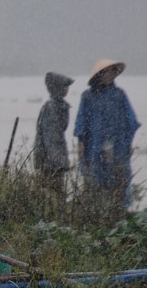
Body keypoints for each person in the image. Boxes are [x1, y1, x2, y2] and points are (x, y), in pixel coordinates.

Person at [73, 58, 140, 210]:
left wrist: (127, 143)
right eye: (108, 71)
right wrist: (81, 144)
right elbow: (81, 122)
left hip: (119, 148)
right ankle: (96, 213)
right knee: (95, 183)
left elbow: (130, 122)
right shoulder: (88, 97)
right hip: (93, 149)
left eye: (113, 72)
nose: (111, 75)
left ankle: (118, 214)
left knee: (119, 183)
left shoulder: (119, 95)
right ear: (100, 74)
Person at [33, 72, 74, 190]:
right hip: (50, 165)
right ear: (58, 88)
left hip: (52, 163)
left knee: (55, 194)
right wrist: (59, 162)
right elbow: (52, 139)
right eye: (64, 86)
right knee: (53, 195)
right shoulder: (52, 108)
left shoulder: (59, 106)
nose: (67, 89)